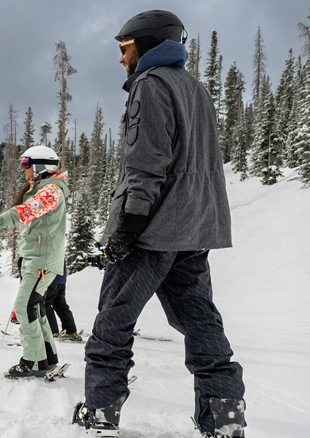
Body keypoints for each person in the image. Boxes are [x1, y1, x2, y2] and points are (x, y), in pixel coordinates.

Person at [72, 10, 246, 438]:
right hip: (194, 229)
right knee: (202, 324)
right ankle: (224, 418)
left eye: (124, 48)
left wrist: (128, 228)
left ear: (146, 45)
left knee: (113, 323)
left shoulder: (150, 86)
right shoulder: (195, 88)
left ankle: (101, 412)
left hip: (152, 230)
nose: (120, 58)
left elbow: (146, 163)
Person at [0, 145, 69, 378]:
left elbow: (26, 211)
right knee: (35, 307)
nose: (23, 169)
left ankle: (32, 363)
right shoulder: (42, 188)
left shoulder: (51, 191)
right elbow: (27, 222)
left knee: (24, 308)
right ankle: (46, 358)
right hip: (36, 258)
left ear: (39, 166)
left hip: (41, 261)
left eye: (26, 164)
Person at [44, 261, 82, 342]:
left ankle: (52, 331)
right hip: (61, 278)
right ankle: (70, 330)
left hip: (51, 277)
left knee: (45, 304)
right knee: (60, 304)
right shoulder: (59, 247)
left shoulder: (48, 247)